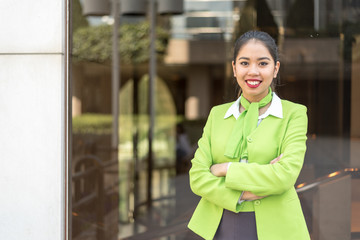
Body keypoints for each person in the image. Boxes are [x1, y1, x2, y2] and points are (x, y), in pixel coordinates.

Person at [187, 30, 310, 240]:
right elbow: (197, 178)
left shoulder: (294, 114)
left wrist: (225, 169)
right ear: (234, 68)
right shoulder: (217, 115)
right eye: (244, 63)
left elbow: (284, 176)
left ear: (276, 68)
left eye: (263, 63)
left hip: (278, 227)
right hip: (218, 224)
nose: (253, 71)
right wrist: (246, 194)